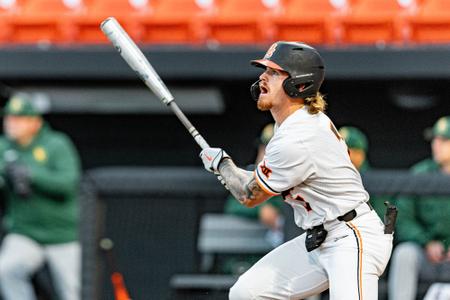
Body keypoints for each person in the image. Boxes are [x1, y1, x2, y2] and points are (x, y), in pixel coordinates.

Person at [200, 41, 393, 299]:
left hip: (352, 237)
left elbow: (250, 195)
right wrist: (225, 166)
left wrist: (222, 165)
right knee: (246, 293)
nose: (263, 77)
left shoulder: (298, 135)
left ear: (299, 84)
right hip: (320, 239)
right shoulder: (291, 126)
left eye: (274, 72)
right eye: (264, 70)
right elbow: (257, 181)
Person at [0, 93, 81, 300]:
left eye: (18, 119)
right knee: (6, 271)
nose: (11, 124)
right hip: (26, 233)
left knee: (73, 291)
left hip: (64, 235)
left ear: (34, 122)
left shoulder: (56, 144)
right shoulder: (4, 146)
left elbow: (67, 184)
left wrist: (32, 174)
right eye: (9, 118)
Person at [388, 115, 450, 300]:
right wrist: (427, 242)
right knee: (405, 254)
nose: (436, 145)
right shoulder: (420, 173)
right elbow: (403, 217)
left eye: (444, 140)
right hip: (427, 256)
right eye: (435, 139)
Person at [339, 126, 387, 219]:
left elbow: (381, 218)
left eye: (356, 152)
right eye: (345, 151)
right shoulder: (324, 178)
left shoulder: (374, 181)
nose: (350, 156)